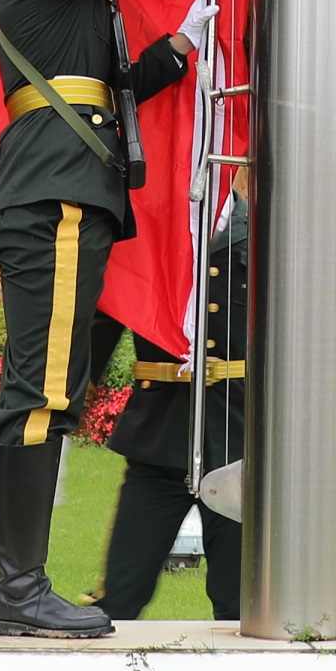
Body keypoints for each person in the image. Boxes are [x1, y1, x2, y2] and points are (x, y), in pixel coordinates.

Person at [0, 0, 247, 637]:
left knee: (49, 392)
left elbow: (107, 89)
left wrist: (178, 48)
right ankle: (19, 590)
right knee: (40, 393)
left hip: (65, 189)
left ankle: (20, 587)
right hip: (52, 196)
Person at [96, 197, 247, 624]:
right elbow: (109, 310)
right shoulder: (150, 232)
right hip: (161, 435)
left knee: (243, 605)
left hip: (238, 441)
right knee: (119, 598)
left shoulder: (265, 231)